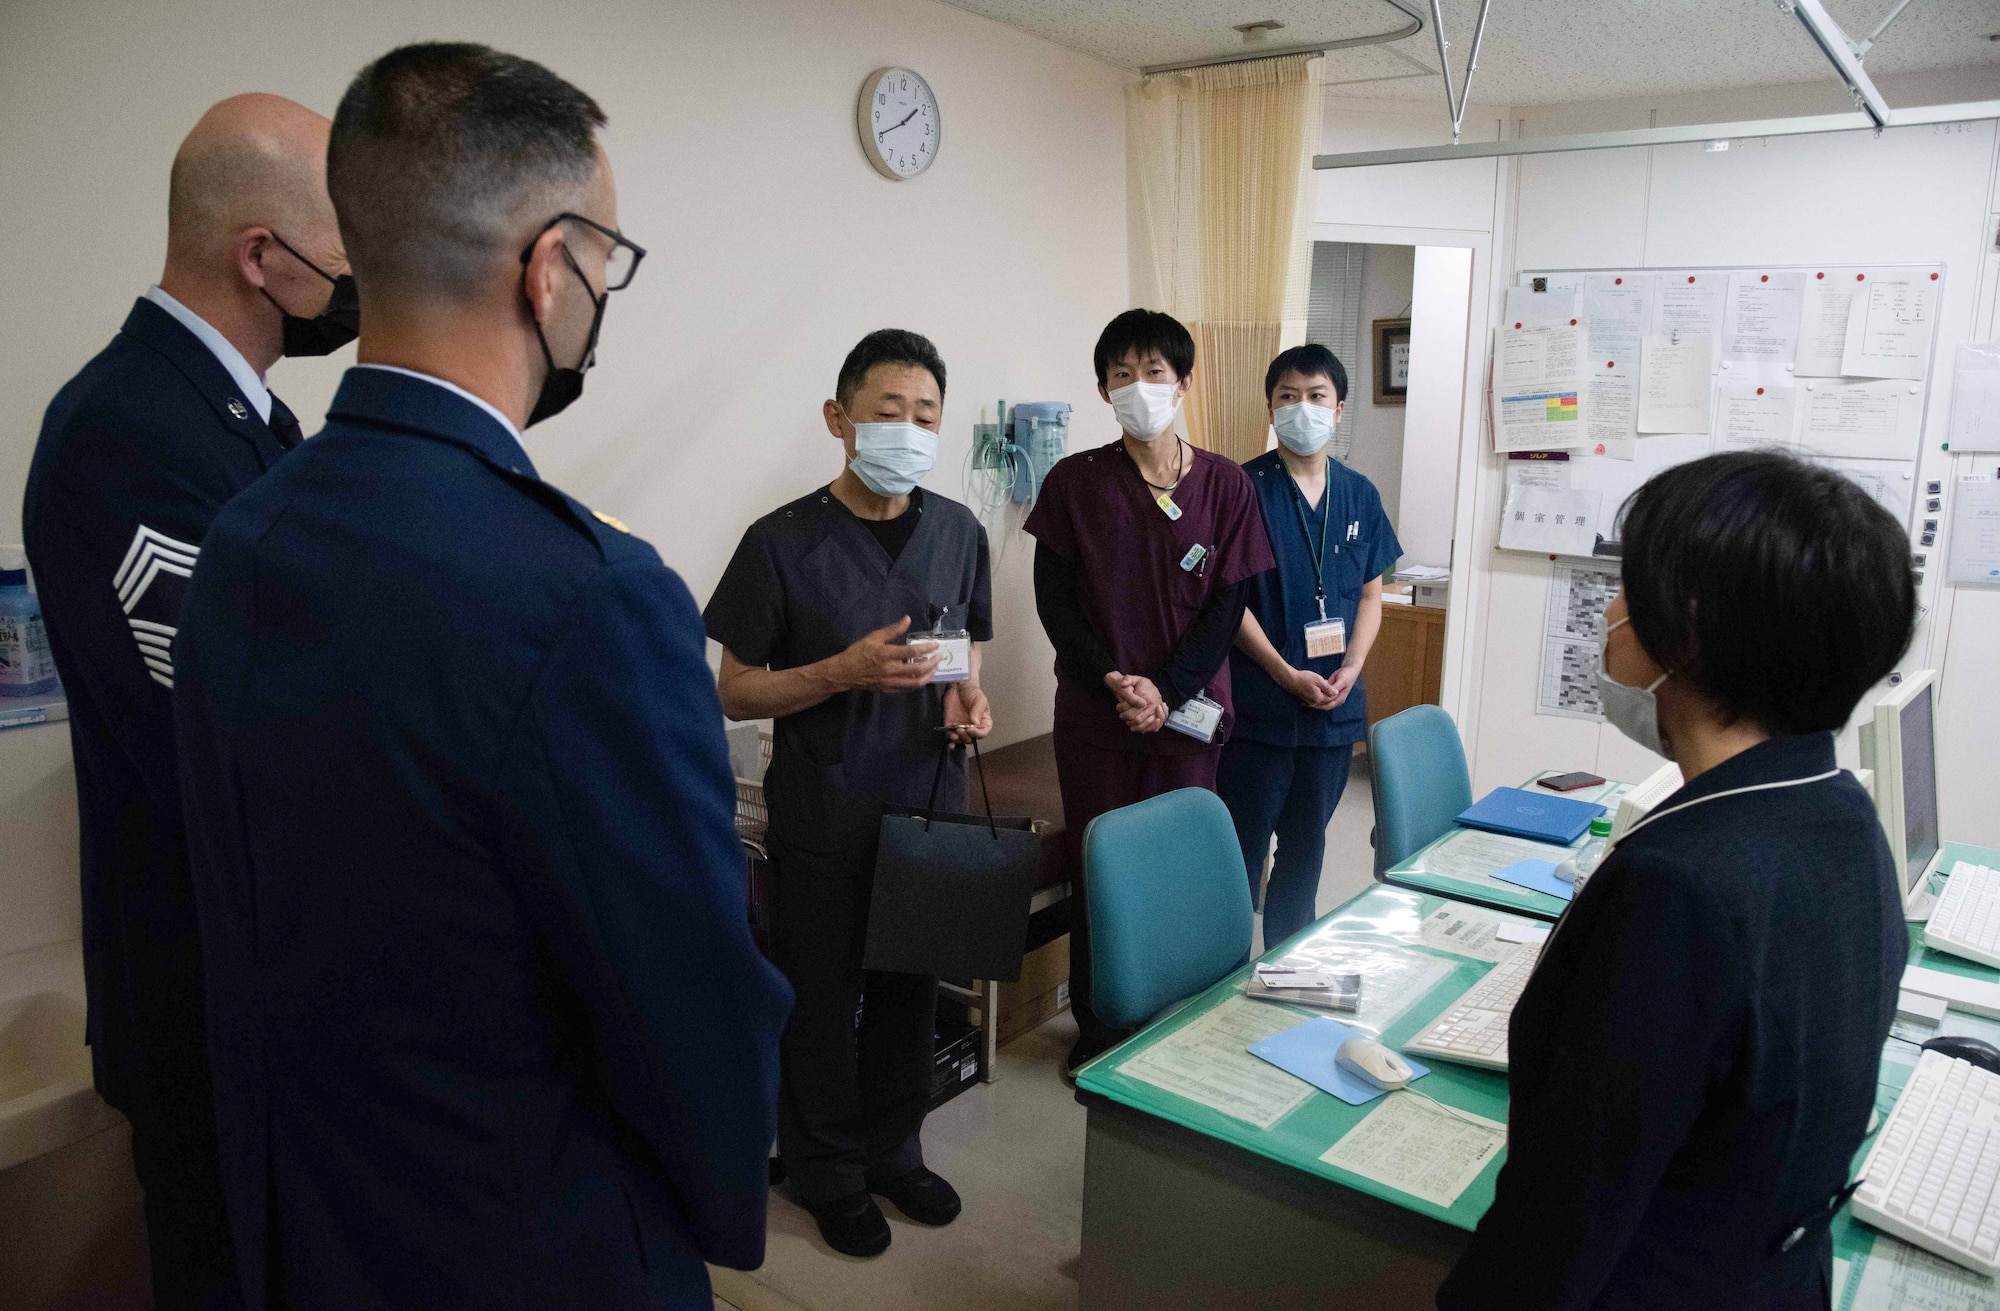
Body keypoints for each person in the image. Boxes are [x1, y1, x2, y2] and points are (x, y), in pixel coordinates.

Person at [170, 44, 790, 1311]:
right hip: (528, 1244)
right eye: (605, 264)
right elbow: (690, 1006)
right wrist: (722, 1196)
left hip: (315, 1224)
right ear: (550, 266)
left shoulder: (249, 535)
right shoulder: (590, 598)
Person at [1437, 450, 1916, 1310]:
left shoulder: (1676, 887)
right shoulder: (1840, 809)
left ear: (1685, 628)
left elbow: (1560, 1224)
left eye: (1627, 586)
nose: (1610, 610)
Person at [20, 91, 355, 1311]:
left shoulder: (245, 420)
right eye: (342, 248)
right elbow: (236, 742)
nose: (358, 277)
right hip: (212, 1004)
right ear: (257, 254)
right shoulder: (128, 427)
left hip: (272, 995)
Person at [706, 329, 993, 1259]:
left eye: (925, 416)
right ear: (839, 419)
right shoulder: (780, 541)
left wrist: (968, 693)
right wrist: (839, 671)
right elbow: (733, 686)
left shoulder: (958, 531)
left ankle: (894, 1151)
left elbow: (963, 643)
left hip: (929, 799)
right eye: (887, 411)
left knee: (913, 983)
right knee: (823, 996)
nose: (907, 430)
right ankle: (829, 1169)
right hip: (826, 806)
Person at [1026, 309, 1274, 1074]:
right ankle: (1099, 1027)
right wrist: (1114, 679)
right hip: (1097, 713)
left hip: (1188, 715)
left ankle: (1182, 1018)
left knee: (1179, 862)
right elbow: (1055, 599)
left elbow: (1226, 604)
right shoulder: (1075, 482)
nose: (1140, 388)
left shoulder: (1227, 485)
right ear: (1102, 387)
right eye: (1122, 375)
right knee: (1101, 863)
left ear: (1185, 381)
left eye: (1155, 372)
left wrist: (1165, 689)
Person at [1218, 345, 1399, 950]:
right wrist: (1282, 672)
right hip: (1261, 710)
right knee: (1241, 853)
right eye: (1287, 396)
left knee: (1307, 850)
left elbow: (1371, 595)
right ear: (1270, 407)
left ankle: (1287, 970)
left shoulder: (1359, 494)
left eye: (1316, 396)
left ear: (1339, 408)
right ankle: (1221, 982)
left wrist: (1352, 667)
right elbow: (1229, 603)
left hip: (1332, 711)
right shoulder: (1241, 489)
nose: (1303, 408)